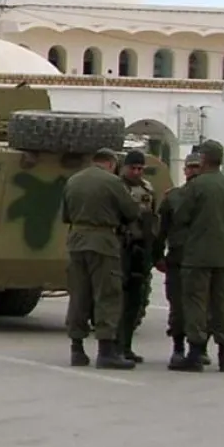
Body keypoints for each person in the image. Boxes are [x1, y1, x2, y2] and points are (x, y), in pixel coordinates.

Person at [61, 147, 141, 370]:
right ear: (112, 163)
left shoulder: (73, 180)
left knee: (79, 295)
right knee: (107, 294)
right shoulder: (113, 182)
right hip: (103, 242)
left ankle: (77, 349)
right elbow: (131, 211)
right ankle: (106, 351)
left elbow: (66, 215)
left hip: (76, 241)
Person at [170, 139, 224, 373]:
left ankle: (196, 352)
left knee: (196, 304)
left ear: (203, 159)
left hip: (198, 257)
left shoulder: (196, 186)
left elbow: (181, 217)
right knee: (221, 305)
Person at [154, 151, 202, 366]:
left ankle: (198, 348)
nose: (193, 171)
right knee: (178, 307)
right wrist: (157, 256)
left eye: (197, 167)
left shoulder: (210, 198)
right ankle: (178, 347)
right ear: (185, 171)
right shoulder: (173, 197)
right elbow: (161, 230)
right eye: (190, 167)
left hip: (201, 260)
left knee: (201, 307)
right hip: (178, 258)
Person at [115, 149, 158, 363]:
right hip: (120, 247)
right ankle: (114, 346)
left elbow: (153, 217)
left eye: (140, 168)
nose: (137, 172)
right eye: (133, 168)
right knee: (117, 299)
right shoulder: (116, 187)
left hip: (140, 249)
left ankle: (126, 346)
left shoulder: (147, 189)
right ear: (124, 167)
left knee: (135, 300)